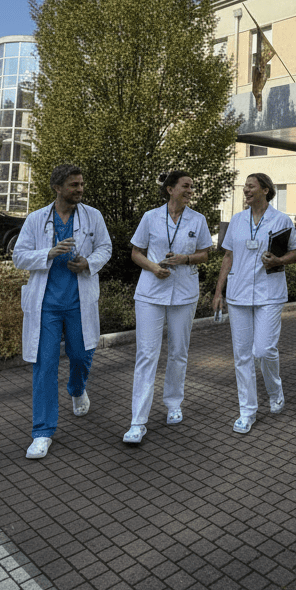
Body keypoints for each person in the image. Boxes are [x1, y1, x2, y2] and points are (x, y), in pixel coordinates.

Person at [14, 165, 113, 459]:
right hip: (46, 305)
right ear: (57, 188)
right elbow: (19, 256)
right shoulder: (36, 219)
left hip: (78, 301)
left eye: (81, 184)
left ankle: (76, 388)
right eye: (74, 185)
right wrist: (48, 253)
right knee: (44, 366)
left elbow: (105, 248)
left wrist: (88, 263)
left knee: (81, 355)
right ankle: (42, 432)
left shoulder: (93, 216)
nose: (80, 189)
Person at [124, 170, 214, 444]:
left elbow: (205, 254)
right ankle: (138, 421)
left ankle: (174, 403)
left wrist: (185, 259)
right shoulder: (150, 217)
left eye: (191, 187)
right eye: (185, 186)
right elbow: (136, 252)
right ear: (170, 189)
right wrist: (154, 267)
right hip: (150, 293)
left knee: (178, 352)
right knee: (146, 354)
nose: (190, 190)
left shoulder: (198, 219)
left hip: (184, 294)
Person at [212, 173, 296, 433]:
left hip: (269, 293)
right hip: (238, 293)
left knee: (263, 350)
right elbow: (228, 256)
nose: (246, 190)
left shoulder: (281, 220)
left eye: (251, 186)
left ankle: (275, 389)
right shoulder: (237, 220)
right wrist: (218, 291)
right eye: (245, 187)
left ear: (265, 190)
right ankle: (247, 411)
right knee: (242, 356)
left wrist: (279, 261)